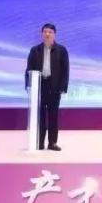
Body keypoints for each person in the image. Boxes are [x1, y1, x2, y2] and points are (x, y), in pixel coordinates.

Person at [25, 23, 70, 151]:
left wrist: (63, 87)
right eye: (45, 31)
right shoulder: (35, 50)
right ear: (42, 34)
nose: (47, 34)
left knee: (53, 115)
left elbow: (65, 70)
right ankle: (39, 142)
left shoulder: (61, 50)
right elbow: (29, 69)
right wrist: (28, 85)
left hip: (54, 86)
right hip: (39, 85)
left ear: (54, 34)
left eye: (50, 32)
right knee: (40, 116)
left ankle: (52, 143)